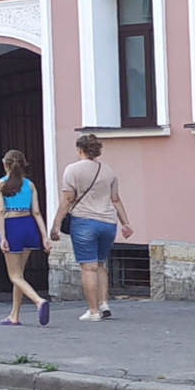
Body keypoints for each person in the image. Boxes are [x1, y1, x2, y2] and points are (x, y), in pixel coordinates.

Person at [50, 133, 133, 323]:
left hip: (84, 222)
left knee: (88, 267)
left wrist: (56, 224)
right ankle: (104, 304)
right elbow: (116, 199)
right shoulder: (108, 171)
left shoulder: (72, 170)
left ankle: (93, 310)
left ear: (79, 149)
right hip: (108, 223)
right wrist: (126, 223)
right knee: (100, 263)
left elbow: (67, 199)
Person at [0, 149, 52, 326]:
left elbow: (0, 210)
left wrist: (3, 236)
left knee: (14, 276)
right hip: (29, 225)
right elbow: (37, 212)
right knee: (20, 275)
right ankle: (14, 315)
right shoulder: (30, 185)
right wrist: (44, 237)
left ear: (5, 164)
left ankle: (38, 301)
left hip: (12, 226)